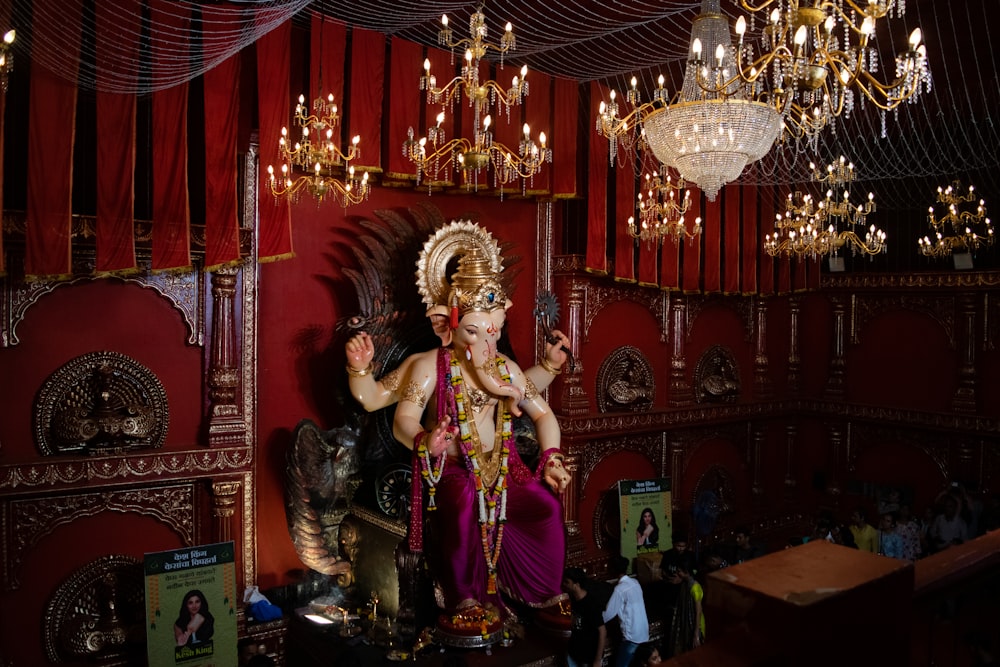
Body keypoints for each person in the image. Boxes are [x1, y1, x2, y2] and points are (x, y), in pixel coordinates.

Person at [349, 221, 571, 620]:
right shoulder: (429, 368)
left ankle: (543, 594)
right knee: (463, 502)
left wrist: (552, 458)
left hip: (503, 470)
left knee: (547, 508)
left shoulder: (504, 368)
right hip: (451, 468)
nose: (488, 344)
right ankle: (463, 600)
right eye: (474, 332)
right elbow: (394, 412)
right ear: (445, 326)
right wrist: (423, 438)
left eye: (496, 332)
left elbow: (541, 412)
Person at [603, 555, 649, 667]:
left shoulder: (620, 590)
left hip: (632, 637)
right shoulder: (635, 582)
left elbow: (607, 614)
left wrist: (592, 619)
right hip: (644, 633)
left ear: (613, 570)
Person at [562, 568, 607, 667]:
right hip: (574, 652)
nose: (564, 585)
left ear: (576, 584)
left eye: (567, 582)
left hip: (588, 656)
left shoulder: (591, 604)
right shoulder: (573, 598)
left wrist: (597, 660)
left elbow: (602, 631)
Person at [666, 560, 704, 657]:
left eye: (679, 571)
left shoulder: (695, 587)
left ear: (686, 572)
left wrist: (696, 634)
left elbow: (698, 612)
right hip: (686, 622)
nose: (677, 573)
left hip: (696, 624)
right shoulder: (685, 583)